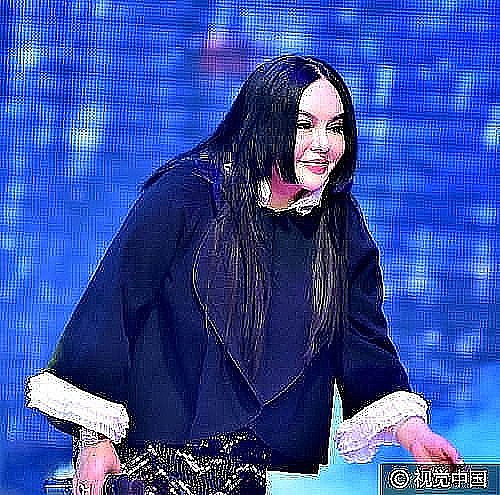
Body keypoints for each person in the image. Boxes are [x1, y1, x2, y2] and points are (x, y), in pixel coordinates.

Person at [26, 55, 462, 495]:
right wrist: (94, 441)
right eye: (304, 125)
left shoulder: (338, 223)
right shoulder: (186, 195)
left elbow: (361, 339)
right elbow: (112, 312)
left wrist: (412, 433)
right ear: (265, 123)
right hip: (143, 466)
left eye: (335, 128)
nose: (323, 144)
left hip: (244, 474)